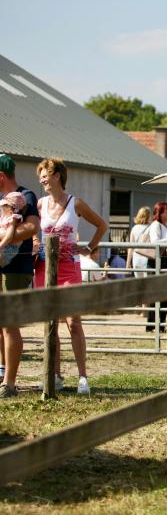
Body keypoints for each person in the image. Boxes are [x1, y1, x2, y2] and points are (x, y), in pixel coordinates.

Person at [35, 158, 108, 395]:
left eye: (45, 174)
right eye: (40, 176)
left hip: (69, 268)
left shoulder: (75, 203)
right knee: (50, 324)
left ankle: (83, 377)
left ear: (58, 175)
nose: (42, 179)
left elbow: (101, 225)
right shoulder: (40, 204)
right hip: (44, 268)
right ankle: (54, 376)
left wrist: (88, 248)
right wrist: (36, 242)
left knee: (73, 323)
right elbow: (35, 232)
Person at [0, 154, 40, 399]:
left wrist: (4, 240)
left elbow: (33, 227)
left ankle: (10, 383)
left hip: (15, 269)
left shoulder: (26, 197)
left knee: (9, 324)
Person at [145, 201, 167, 333]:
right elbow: (155, 242)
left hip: (166, 261)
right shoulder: (156, 225)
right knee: (155, 294)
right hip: (156, 262)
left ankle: (160, 324)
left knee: (165, 295)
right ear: (160, 213)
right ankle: (152, 325)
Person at [0, 192, 26, 267]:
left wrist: (0, 246)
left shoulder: (13, 219)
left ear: (12, 208)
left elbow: (9, 237)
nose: (1, 208)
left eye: (4, 206)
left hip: (8, 248)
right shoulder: (4, 217)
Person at [126, 206, 151, 278]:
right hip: (146, 259)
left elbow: (130, 247)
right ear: (148, 216)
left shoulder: (134, 228)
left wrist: (128, 263)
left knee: (139, 283)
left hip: (136, 259)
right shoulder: (151, 227)